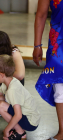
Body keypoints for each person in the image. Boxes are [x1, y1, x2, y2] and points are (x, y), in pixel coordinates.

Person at [33, 0, 63, 139]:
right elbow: (41, 14)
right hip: (58, 43)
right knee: (59, 85)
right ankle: (62, 132)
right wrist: (37, 45)